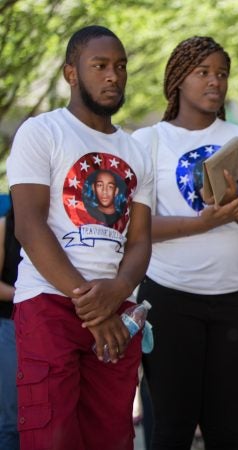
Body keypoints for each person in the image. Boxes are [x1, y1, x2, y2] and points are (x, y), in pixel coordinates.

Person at [132, 36, 238, 450]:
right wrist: (206, 222)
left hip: (236, 303)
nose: (214, 81)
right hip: (168, 299)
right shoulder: (146, 142)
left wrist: (237, 211)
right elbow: (136, 227)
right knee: (171, 428)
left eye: (221, 73)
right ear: (178, 79)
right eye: (202, 72)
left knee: (226, 430)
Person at [7, 25, 153, 450]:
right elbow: (29, 226)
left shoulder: (137, 150)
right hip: (49, 303)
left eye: (121, 66)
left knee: (112, 438)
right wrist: (92, 306)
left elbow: (140, 239)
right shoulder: (42, 132)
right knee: (51, 437)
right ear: (72, 73)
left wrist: (120, 291)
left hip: (117, 308)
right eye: (100, 66)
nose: (113, 76)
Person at [0, 201, 20, 450]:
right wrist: (28, 293)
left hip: (51, 326)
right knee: (11, 419)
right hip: (10, 325)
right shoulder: (5, 227)